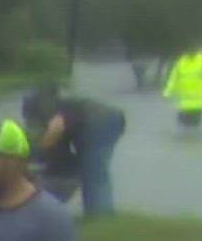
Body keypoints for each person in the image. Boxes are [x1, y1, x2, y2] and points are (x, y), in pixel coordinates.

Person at [21, 87, 128, 217]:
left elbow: (56, 128)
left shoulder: (50, 107)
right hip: (108, 120)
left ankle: (100, 214)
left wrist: (39, 149)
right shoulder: (61, 105)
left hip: (99, 121)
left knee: (94, 170)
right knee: (92, 169)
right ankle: (96, 212)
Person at [163, 45, 202, 129]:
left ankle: (193, 141)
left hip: (198, 104)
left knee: (193, 128)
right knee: (183, 128)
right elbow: (173, 78)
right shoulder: (181, 62)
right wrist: (167, 92)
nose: (190, 52)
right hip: (183, 104)